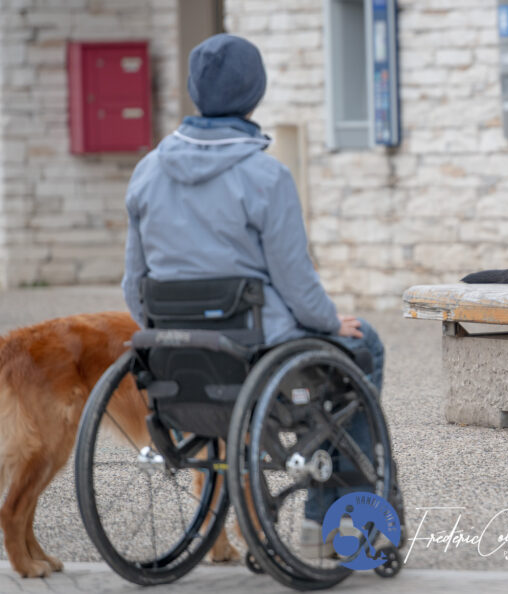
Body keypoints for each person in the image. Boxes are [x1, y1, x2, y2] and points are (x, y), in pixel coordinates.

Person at [121, 33, 400, 547]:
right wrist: (329, 322)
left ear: (193, 90)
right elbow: (296, 281)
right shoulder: (266, 176)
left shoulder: (147, 171)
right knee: (365, 347)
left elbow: (134, 287)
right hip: (258, 350)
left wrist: (167, 330)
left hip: (176, 358)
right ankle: (334, 517)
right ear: (256, 93)